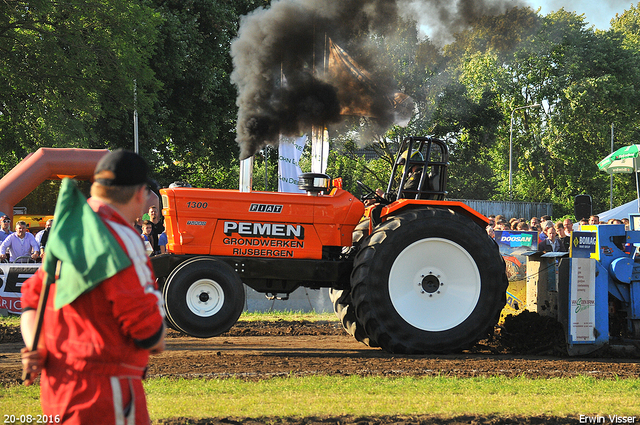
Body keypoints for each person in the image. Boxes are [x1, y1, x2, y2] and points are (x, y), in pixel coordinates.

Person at [20, 150, 165, 424]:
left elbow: (31, 299)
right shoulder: (123, 238)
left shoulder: (70, 229)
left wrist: (36, 345)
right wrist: (158, 334)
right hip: (104, 391)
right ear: (138, 194)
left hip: (56, 387)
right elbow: (149, 335)